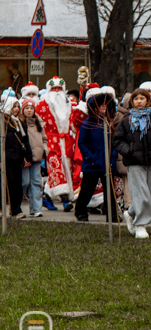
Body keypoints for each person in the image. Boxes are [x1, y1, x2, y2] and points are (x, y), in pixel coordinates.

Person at [115, 88, 151, 239]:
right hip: (134, 162)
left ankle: (130, 212)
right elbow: (118, 140)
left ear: (148, 100)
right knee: (141, 194)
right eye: (136, 99)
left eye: (142, 98)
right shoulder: (126, 119)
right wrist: (129, 150)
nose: (139, 101)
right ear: (132, 101)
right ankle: (140, 225)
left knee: (150, 191)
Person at [73, 91, 117, 222]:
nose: (104, 107)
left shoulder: (110, 123)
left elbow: (115, 142)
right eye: (101, 105)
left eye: (106, 105)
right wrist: (91, 157)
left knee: (110, 191)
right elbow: (82, 143)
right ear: (95, 107)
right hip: (92, 163)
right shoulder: (87, 123)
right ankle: (80, 211)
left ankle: (112, 214)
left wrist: (113, 155)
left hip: (108, 162)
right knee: (87, 189)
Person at [36, 76, 75, 211]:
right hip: (50, 143)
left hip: (66, 143)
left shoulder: (69, 104)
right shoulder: (41, 105)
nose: (57, 91)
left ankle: (46, 197)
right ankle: (65, 200)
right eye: (54, 89)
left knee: (64, 171)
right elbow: (37, 125)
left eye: (59, 88)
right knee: (57, 171)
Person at [3, 96, 29, 219]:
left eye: (18, 107)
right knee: (8, 184)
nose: (16, 109)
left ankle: (16, 209)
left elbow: (24, 140)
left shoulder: (18, 122)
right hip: (6, 158)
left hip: (17, 158)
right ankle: (5, 209)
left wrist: (27, 156)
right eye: (14, 106)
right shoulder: (3, 122)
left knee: (18, 184)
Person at [19, 98, 46, 217]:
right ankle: (17, 207)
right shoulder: (20, 122)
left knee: (37, 182)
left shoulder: (38, 122)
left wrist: (45, 149)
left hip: (36, 157)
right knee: (24, 182)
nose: (29, 111)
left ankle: (36, 209)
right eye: (26, 108)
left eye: (31, 108)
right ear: (23, 110)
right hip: (25, 158)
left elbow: (44, 138)